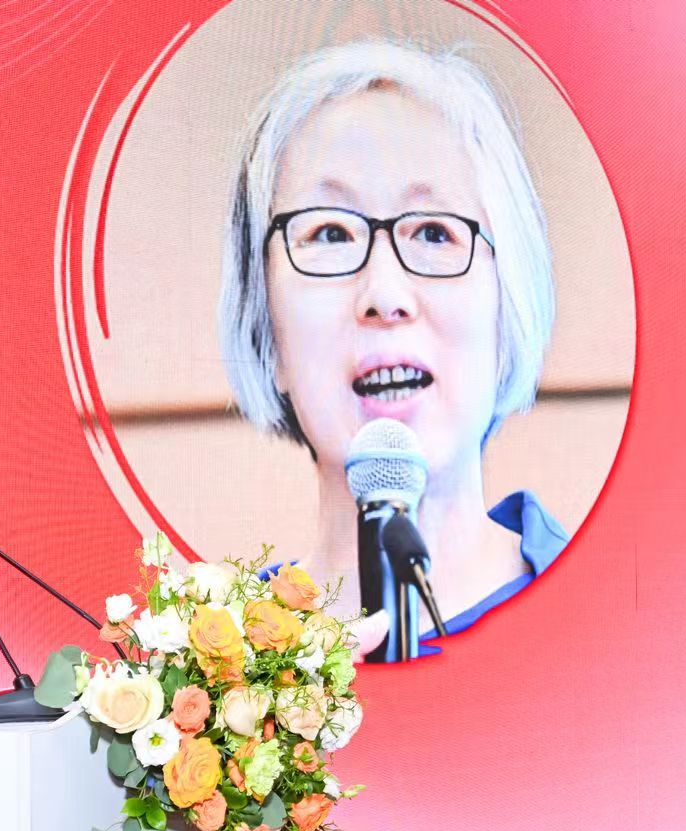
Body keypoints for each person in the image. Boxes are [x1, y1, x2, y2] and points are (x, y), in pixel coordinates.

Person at [220, 38, 569, 638]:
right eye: (330, 233)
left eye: (434, 233)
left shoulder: (616, 615)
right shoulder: (212, 673)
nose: (384, 294)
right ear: (265, 324)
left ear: (508, 308)